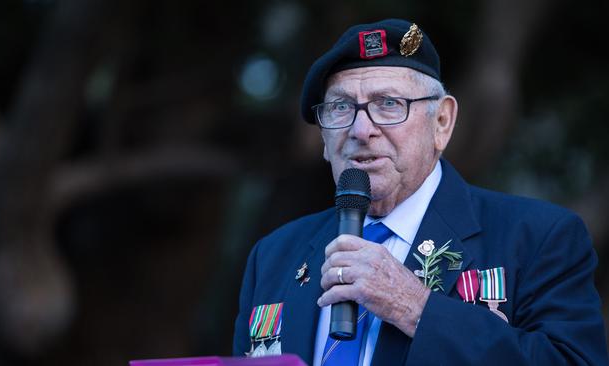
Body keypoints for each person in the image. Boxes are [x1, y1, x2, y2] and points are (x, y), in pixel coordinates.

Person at [232, 18, 608, 365]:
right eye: (341, 107)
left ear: (442, 123)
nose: (361, 130)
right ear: (323, 140)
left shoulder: (537, 237)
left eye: (389, 104)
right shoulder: (274, 255)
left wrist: (416, 308)